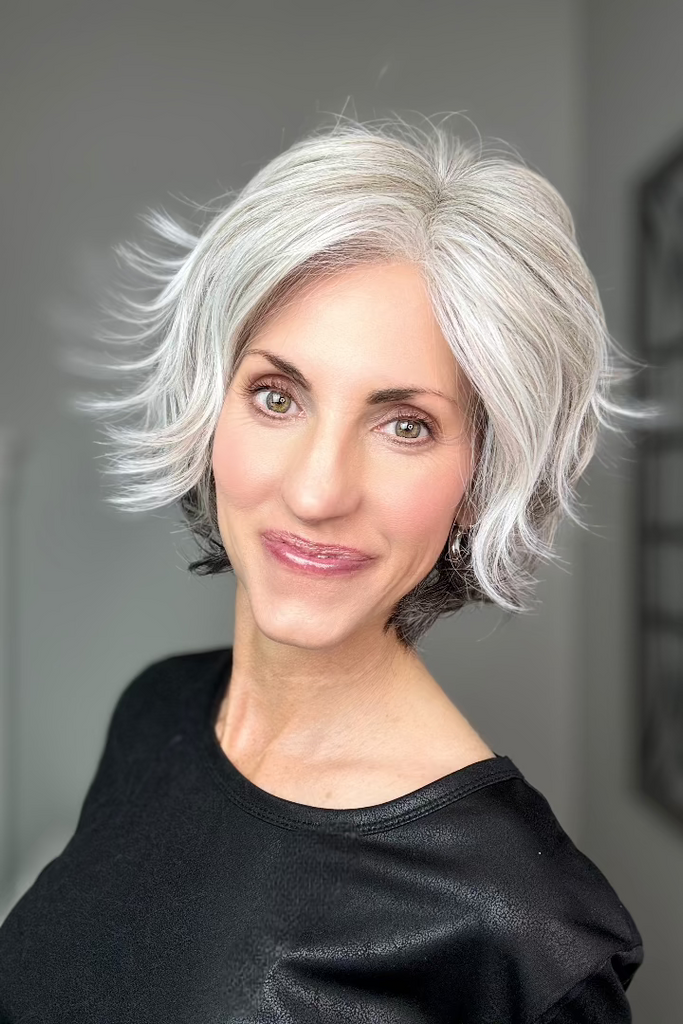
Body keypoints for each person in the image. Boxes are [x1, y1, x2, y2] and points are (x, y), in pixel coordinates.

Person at [0, 114, 650, 1022]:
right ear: (211, 412)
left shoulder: (522, 931)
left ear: (481, 478)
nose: (315, 491)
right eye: (277, 396)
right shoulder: (158, 710)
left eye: (405, 425)